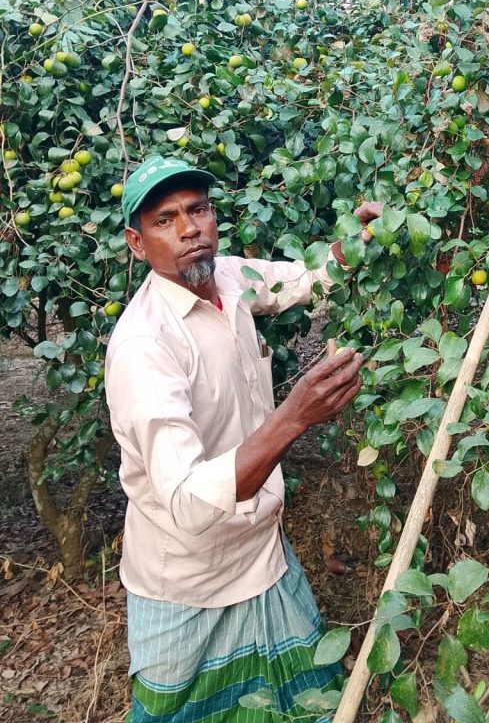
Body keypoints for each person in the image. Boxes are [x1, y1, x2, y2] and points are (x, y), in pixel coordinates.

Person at [105, 154, 381, 723]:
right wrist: (294, 416)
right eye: (166, 220)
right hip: (186, 579)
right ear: (137, 243)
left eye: (199, 210)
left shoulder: (228, 277)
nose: (189, 229)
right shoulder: (144, 349)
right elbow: (186, 502)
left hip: (260, 553)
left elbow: (302, 278)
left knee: (304, 701)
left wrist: (360, 236)